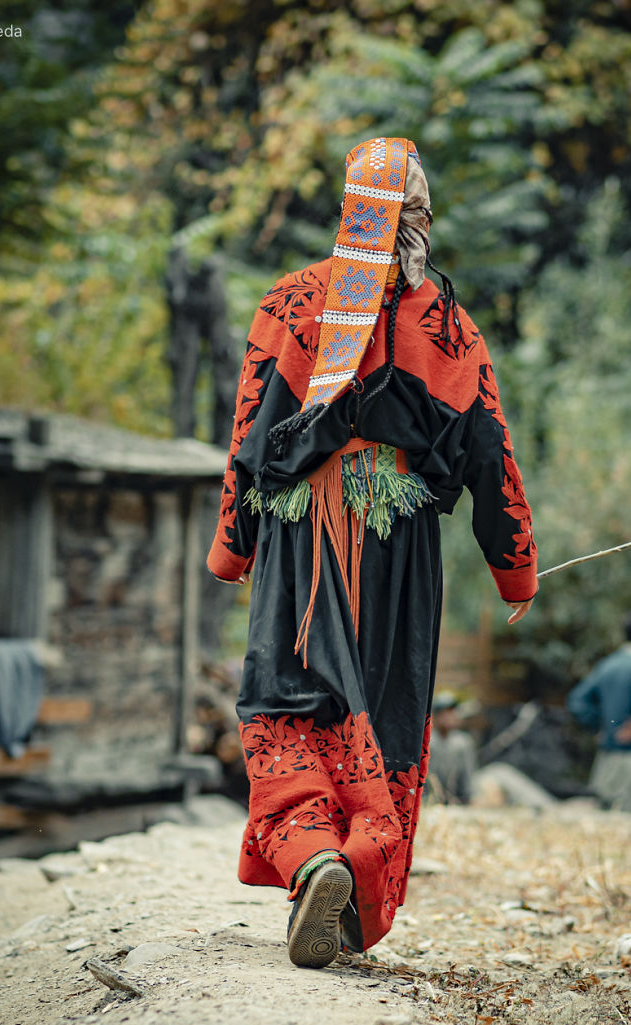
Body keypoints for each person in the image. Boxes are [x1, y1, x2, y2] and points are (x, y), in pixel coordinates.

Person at [206, 136, 537, 968]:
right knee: (385, 712)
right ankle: (353, 873)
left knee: (286, 699)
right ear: (422, 220)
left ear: (352, 212)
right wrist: (514, 567)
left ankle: (311, 853)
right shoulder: (451, 329)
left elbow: (251, 434)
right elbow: (491, 455)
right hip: (402, 547)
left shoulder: (292, 302)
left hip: (299, 535)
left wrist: (232, 549)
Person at [567, 611, 631, 813]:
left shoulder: (608, 665)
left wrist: (598, 726)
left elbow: (576, 700)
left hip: (608, 755)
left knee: (604, 816)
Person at [426, 692, 477, 805]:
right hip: (430, 801)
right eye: (443, 713)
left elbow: (467, 777)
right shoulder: (427, 741)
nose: (448, 717)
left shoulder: (463, 742)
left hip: (457, 801)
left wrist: (469, 798)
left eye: (451, 713)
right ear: (436, 716)